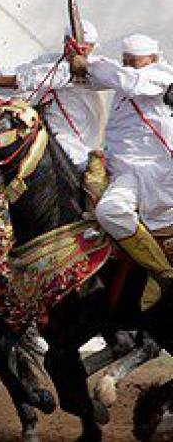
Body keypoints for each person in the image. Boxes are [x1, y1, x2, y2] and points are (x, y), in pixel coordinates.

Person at [70, 33, 173, 308]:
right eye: (125, 61)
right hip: (126, 172)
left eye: (135, 61)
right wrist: (75, 61)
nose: (129, 66)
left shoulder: (160, 76)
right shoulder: (122, 75)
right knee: (108, 211)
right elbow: (86, 79)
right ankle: (162, 273)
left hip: (161, 171)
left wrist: (89, 63)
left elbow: (130, 81)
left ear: (153, 58)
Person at [0, 20, 106, 171]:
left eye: (87, 47)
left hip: (76, 137)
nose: (83, 51)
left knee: (78, 166)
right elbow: (24, 70)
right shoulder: (50, 60)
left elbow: (47, 76)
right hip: (48, 128)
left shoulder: (93, 66)